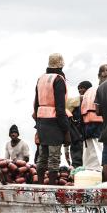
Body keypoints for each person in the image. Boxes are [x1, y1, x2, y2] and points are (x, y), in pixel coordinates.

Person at [33, 53, 72, 182]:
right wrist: (66, 131)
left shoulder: (41, 79)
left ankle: (39, 184)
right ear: (61, 64)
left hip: (41, 120)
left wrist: (37, 123)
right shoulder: (58, 80)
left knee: (42, 155)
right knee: (54, 157)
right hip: (54, 121)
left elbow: (36, 103)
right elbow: (60, 108)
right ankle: (51, 186)